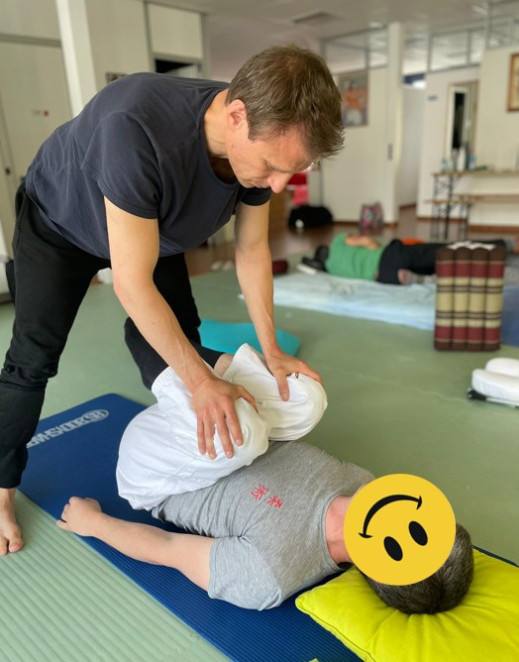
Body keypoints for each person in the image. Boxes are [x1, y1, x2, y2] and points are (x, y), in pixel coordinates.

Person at [0, 45, 344, 554]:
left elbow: (252, 251)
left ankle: (194, 421)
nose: (276, 186)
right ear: (236, 116)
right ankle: (1, 492)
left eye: (288, 173)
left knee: (182, 337)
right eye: (273, 167)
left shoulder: (257, 138)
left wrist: (271, 350)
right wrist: (201, 381)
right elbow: (131, 284)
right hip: (61, 224)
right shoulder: (135, 127)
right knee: (33, 357)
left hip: (150, 225)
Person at [57, 334, 474, 613]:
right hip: (218, 424)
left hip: (158, 470)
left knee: (244, 436)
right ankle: (184, 348)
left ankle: (152, 341)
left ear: (385, 564)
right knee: (307, 397)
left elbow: (168, 548)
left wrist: (94, 524)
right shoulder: (369, 485)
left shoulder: (269, 576)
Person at [302, 234, 519, 285]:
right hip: (391, 256)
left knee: (444, 271)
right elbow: (369, 242)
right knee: (448, 251)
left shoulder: (332, 269)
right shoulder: (338, 241)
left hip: (385, 276)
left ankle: (417, 279)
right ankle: (506, 246)